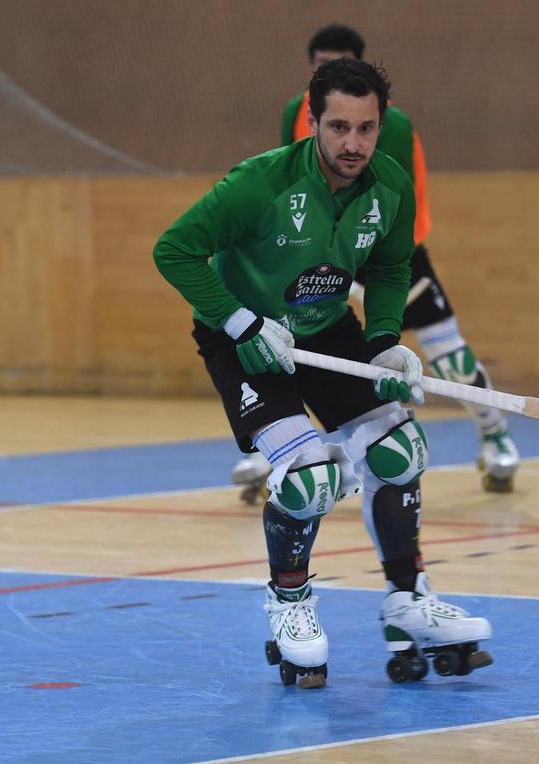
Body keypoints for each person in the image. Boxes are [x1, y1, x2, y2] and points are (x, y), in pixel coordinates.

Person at [154, 58, 492, 690]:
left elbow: (393, 266)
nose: (352, 144)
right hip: (247, 338)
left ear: (380, 125)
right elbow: (173, 250)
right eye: (338, 126)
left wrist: (387, 341)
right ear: (312, 121)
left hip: (325, 325)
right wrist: (238, 322)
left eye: (366, 129)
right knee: (310, 478)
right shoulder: (258, 184)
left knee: (401, 448)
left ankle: (409, 597)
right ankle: (289, 603)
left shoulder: (388, 185)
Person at [230, 23, 519, 502]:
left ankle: (495, 432)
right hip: (321, 246)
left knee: (449, 356)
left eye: (339, 63)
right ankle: (279, 446)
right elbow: (290, 178)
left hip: (386, 244)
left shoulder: (395, 124)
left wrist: (367, 275)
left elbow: (389, 200)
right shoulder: (296, 113)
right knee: (287, 336)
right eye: (321, 65)